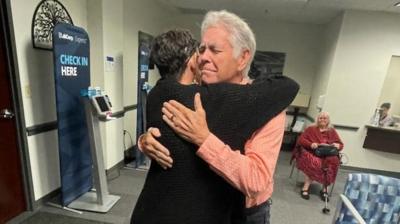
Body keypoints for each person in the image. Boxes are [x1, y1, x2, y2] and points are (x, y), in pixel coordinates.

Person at [131, 29, 299, 224]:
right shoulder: (209, 97)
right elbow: (288, 86)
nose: (204, 57)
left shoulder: (156, 94)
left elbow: (256, 182)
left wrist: (203, 139)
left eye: (214, 50)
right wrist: (145, 141)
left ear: (243, 58)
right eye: (201, 50)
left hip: (243, 210)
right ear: (192, 59)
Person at [292, 111, 343, 201]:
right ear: (317, 119)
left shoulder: (332, 131)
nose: (322, 120)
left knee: (333, 163)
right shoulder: (311, 129)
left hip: (328, 153)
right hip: (313, 152)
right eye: (321, 118)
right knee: (315, 162)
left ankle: (325, 189)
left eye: (325, 118)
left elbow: (340, 144)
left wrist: (338, 145)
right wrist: (311, 144)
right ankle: (305, 187)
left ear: (328, 120)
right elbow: (301, 140)